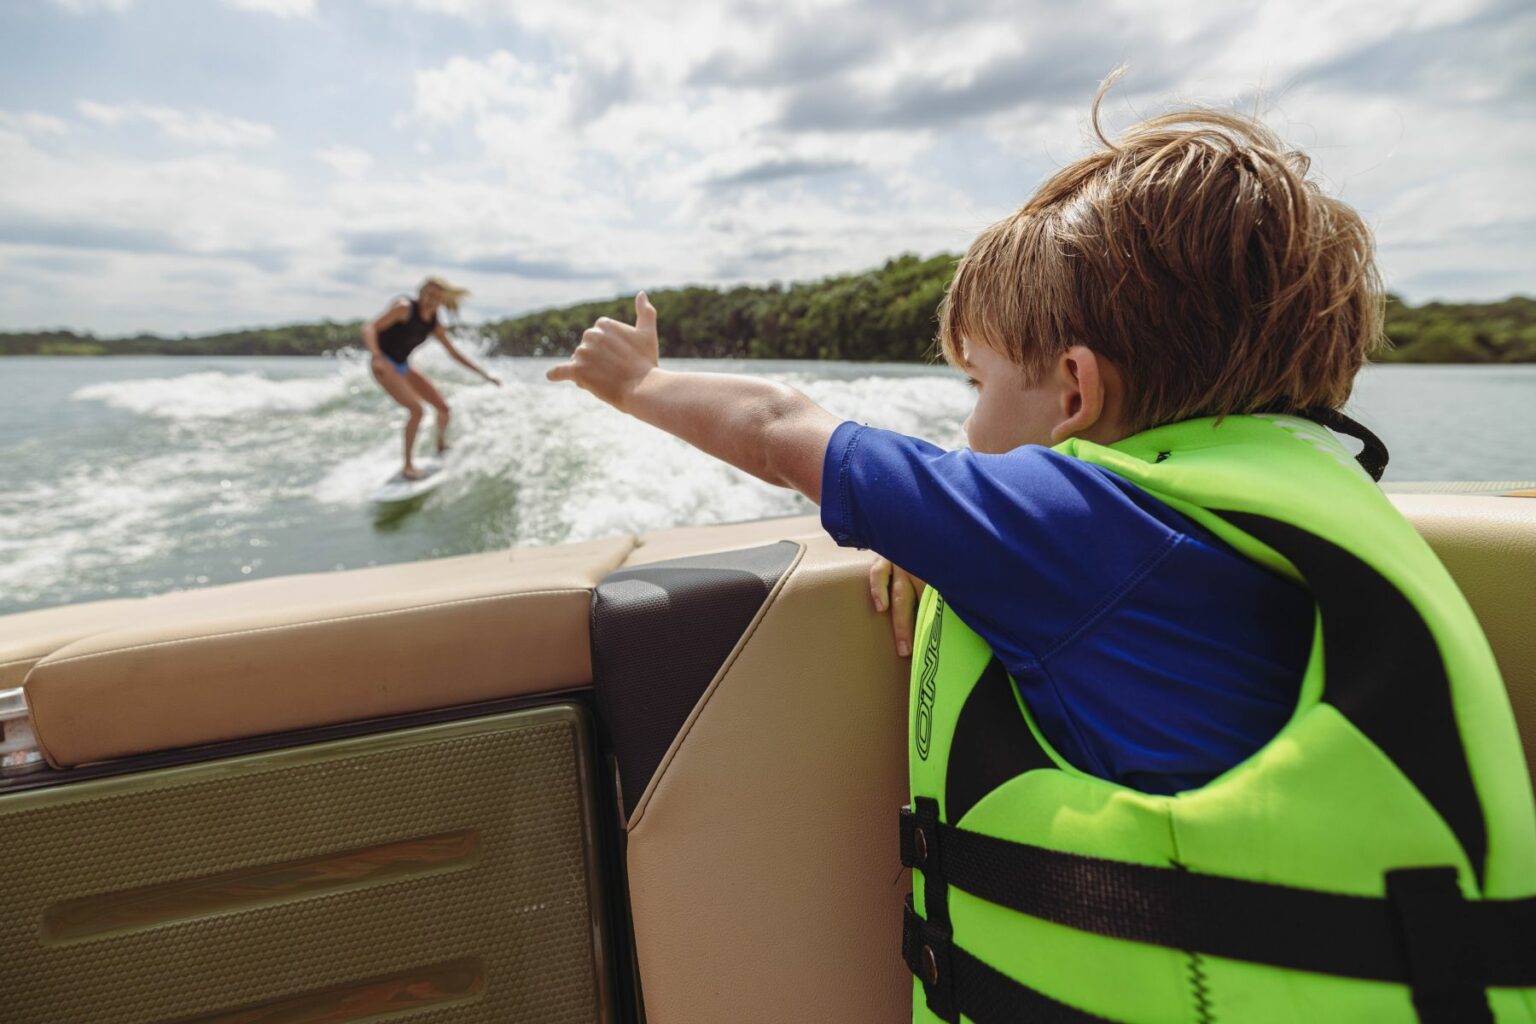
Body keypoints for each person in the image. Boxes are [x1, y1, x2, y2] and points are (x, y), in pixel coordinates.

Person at [548, 80, 1536, 1022]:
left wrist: (637, 384)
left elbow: (777, 423)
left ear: (1073, 392)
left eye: (977, 386)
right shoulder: (1308, 504)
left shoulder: (1072, 526)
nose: (968, 432)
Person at [360, 276, 500, 479]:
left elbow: (454, 353)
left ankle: (441, 448)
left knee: (443, 408)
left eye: (435, 297)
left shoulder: (434, 324)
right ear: (420, 293)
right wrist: (376, 356)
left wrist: (484, 374)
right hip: (384, 363)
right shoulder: (404, 308)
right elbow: (369, 328)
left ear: (442, 300)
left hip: (403, 365)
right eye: (426, 294)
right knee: (417, 410)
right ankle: (408, 466)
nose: (429, 299)